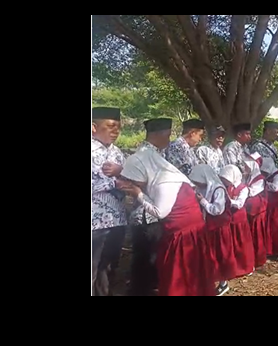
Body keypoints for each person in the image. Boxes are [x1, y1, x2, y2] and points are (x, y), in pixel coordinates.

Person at [119, 150, 217, 297]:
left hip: (184, 233)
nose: (134, 184)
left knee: (181, 272)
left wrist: (138, 194)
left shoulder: (165, 182)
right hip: (179, 229)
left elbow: (160, 212)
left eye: (134, 180)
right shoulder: (160, 177)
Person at [128, 118, 172, 297]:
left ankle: (150, 288)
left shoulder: (158, 154)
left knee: (153, 257)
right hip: (145, 215)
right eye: (168, 135)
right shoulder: (143, 155)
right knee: (143, 258)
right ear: (157, 135)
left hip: (156, 212)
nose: (169, 139)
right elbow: (136, 183)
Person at [91, 107, 127, 296]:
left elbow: (130, 179)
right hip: (95, 222)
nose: (116, 131)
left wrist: (121, 173)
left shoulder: (118, 153)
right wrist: (114, 182)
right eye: (111, 126)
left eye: (118, 127)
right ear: (93, 127)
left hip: (117, 218)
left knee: (109, 266)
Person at [190, 164, 233, 297]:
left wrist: (202, 201)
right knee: (209, 256)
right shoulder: (203, 188)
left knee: (219, 255)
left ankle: (223, 283)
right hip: (209, 228)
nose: (197, 184)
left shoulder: (218, 189)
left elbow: (217, 210)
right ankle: (209, 280)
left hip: (218, 229)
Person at [218, 165, 256, 278]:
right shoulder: (228, 187)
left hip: (239, 221)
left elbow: (239, 204)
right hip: (229, 221)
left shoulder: (243, 188)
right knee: (232, 245)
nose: (224, 181)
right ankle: (234, 267)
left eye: (225, 178)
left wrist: (227, 200)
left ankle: (246, 266)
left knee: (242, 245)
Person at [243, 152, 269, 270]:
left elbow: (251, 192)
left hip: (257, 212)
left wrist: (241, 189)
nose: (245, 167)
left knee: (256, 235)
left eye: (247, 165)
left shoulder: (260, 179)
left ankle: (258, 258)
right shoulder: (247, 177)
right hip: (249, 210)